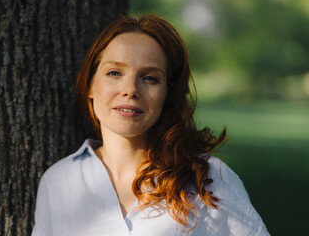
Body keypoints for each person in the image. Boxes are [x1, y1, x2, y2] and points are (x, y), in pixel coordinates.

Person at [31, 15, 270, 236]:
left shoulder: (207, 178)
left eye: (150, 78)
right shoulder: (58, 181)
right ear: (90, 85)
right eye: (114, 73)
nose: (130, 90)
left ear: (167, 93)